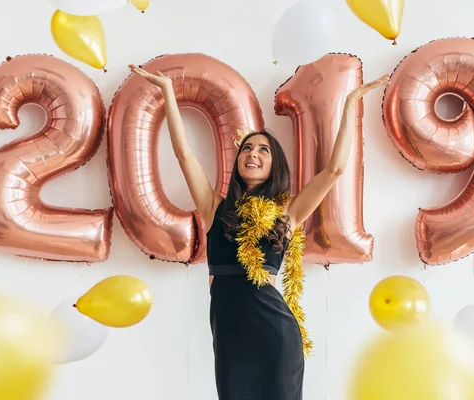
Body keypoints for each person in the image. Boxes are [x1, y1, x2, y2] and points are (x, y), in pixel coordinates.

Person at [129, 64, 389, 400]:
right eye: (248, 149)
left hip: (275, 334)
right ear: (239, 161)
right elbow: (184, 154)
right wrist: (166, 91)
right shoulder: (214, 207)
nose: (253, 153)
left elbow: (336, 169)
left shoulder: (287, 213)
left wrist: (352, 101)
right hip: (229, 334)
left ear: (273, 165)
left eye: (263, 150)